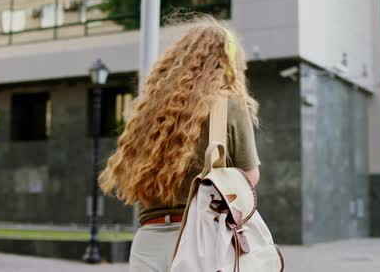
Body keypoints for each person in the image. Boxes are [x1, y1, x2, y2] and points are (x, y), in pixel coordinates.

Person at [98, 17, 261, 272]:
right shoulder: (229, 104)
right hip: (202, 242)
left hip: (147, 241)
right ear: (228, 64)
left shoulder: (150, 111)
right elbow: (249, 176)